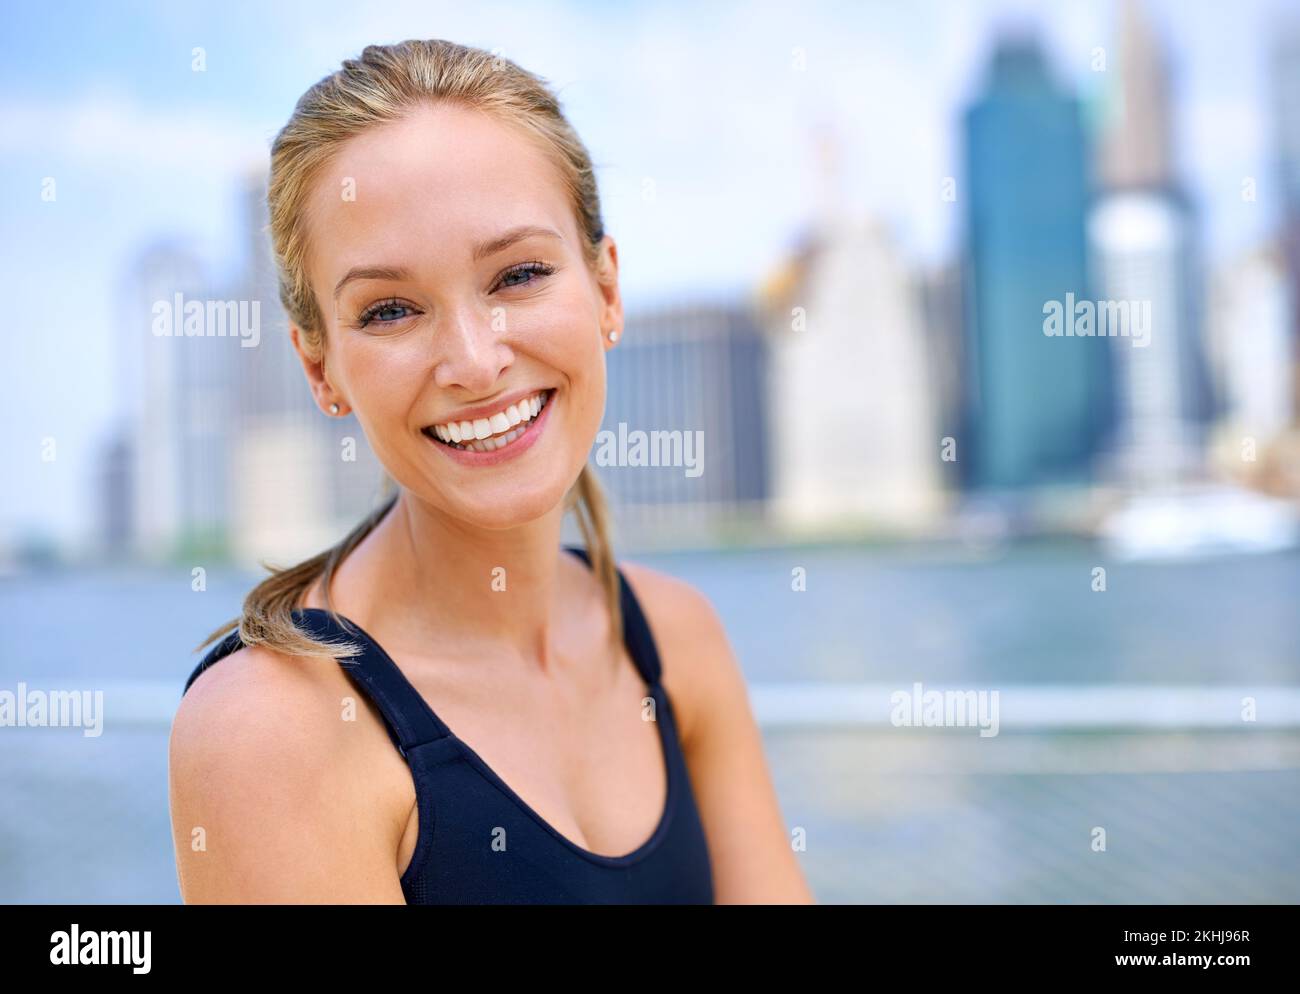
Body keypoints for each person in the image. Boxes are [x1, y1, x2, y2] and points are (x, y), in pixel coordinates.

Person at [168, 38, 813, 904]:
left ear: (607, 290)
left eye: (519, 275)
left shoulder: (675, 641)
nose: (474, 362)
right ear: (320, 368)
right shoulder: (273, 729)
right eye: (391, 309)